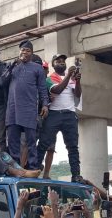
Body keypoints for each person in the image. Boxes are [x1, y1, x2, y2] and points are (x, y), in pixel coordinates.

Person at [0, 40, 49, 170]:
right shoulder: (12, 66)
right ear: (19, 52)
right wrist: (11, 66)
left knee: (31, 141)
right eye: (23, 50)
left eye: (28, 50)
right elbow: (2, 82)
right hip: (13, 109)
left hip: (29, 109)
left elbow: (43, 88)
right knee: (13, 142)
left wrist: (45, 104)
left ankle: (32, 167)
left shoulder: (37, 68)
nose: (25, 52)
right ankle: (15, 167)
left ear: (31, 53)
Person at [37, 54, 83, 183]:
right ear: (53, 64)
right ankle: (34, 169)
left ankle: (75, 174)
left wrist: (78, 81)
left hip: (70, 114)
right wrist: (68, 76)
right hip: (54, 114)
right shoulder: (50, 78)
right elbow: (56, 90)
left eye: (63, 61)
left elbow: (78, 94)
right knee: (44, 143)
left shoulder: (73, 79)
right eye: (58, 61)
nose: (61, 62)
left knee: (72, 146)